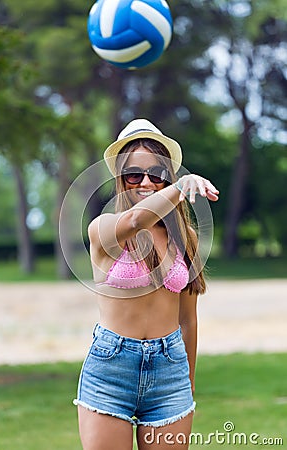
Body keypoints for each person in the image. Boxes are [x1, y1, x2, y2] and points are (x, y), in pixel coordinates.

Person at [73, 119, 219, 450]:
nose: (146, 183)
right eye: (134, 174)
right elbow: (138, 219)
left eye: (157, 174)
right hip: (111, 370)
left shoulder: (185, 237)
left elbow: (188, 318)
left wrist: (188, 380)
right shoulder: (105, 228)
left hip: (170, 373)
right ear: (120, 179)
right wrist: (181, 188)